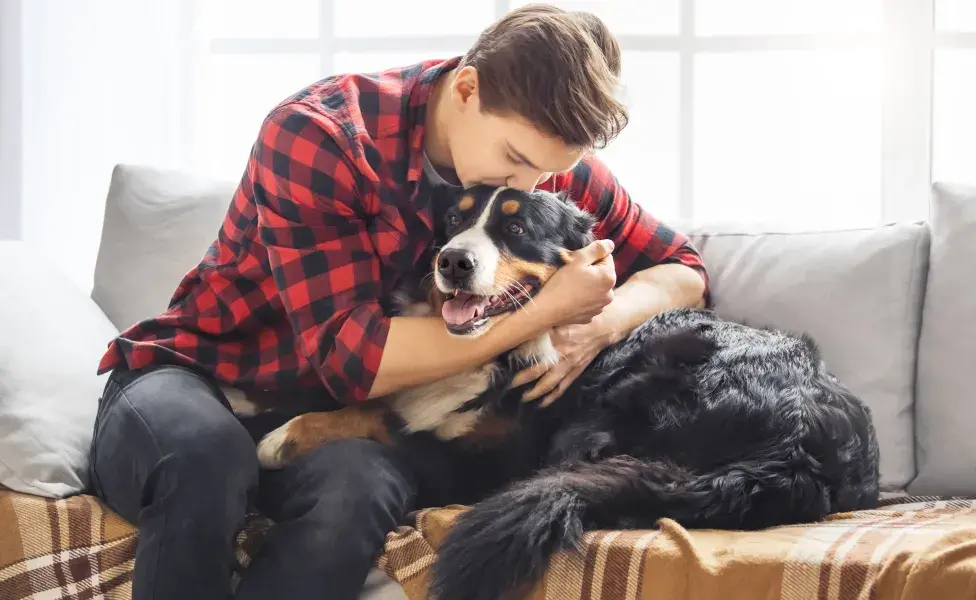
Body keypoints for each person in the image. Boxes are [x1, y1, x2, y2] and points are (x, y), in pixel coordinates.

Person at [88, 4, 710, 599]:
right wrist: (546, 311)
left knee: (360, 486)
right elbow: (353, 359)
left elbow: (681, 268)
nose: (530, 185)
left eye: (549, 174)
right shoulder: (321, 134)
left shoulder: (540, 168)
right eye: (517, 159)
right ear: (467, 89)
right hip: (198, 376)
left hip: (323, 412)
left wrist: (599, 324)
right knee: (206, 456)